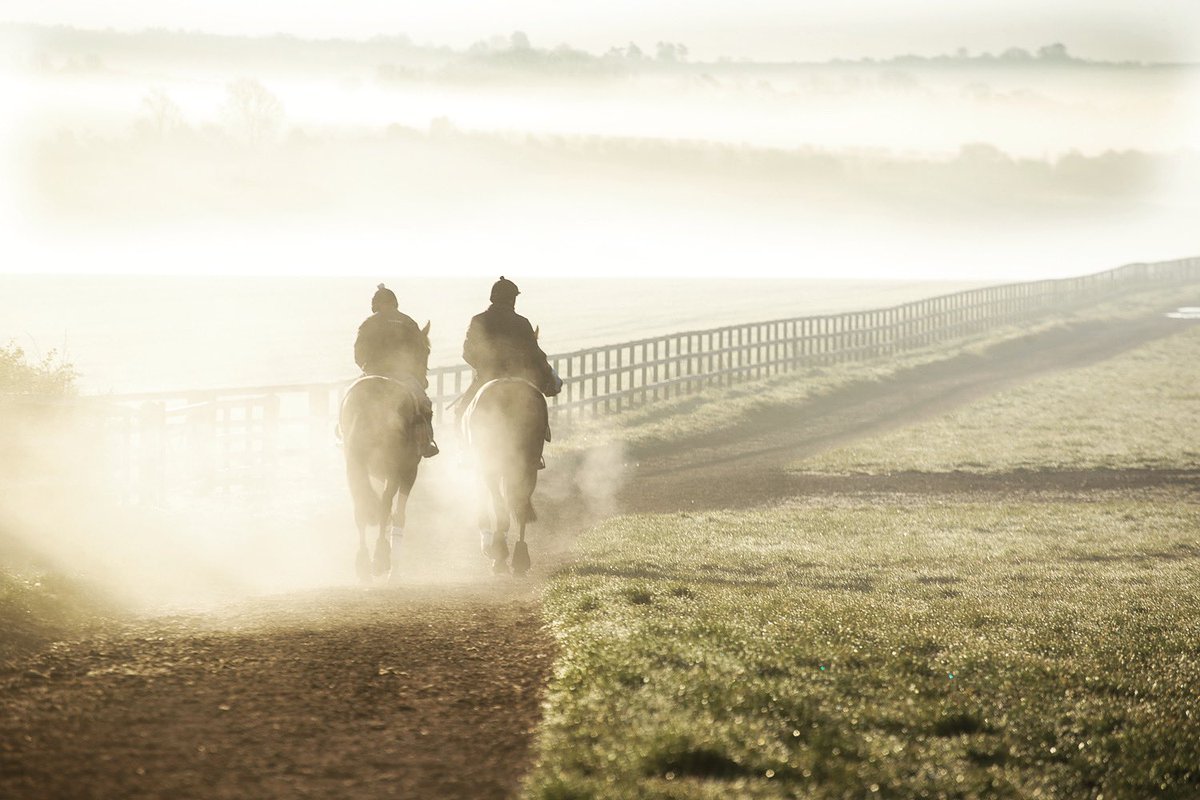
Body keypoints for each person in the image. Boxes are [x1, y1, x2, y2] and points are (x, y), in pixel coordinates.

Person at [458, 276, 558, 464]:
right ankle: (535, 456)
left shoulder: (478, 320)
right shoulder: (522, 322)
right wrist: (548, 379)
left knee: (461, 411)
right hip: (519, 379)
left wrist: (485, 368)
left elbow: (467, 353)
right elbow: (535, 355)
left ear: (492, 298)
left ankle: (466, 454)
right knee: (539, 409)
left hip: (486, 378)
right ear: (512, 299)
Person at [354, 283, 439, 458]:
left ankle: (344, 436)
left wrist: (368, 368)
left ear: (375, 305)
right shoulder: (408, 322)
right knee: (423, 403)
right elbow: (419, 353)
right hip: (402, 375)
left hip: (372, 374)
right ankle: (426, 442)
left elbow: (358, 355)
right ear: (395, 303)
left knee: (352, 399)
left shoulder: (367, 323)